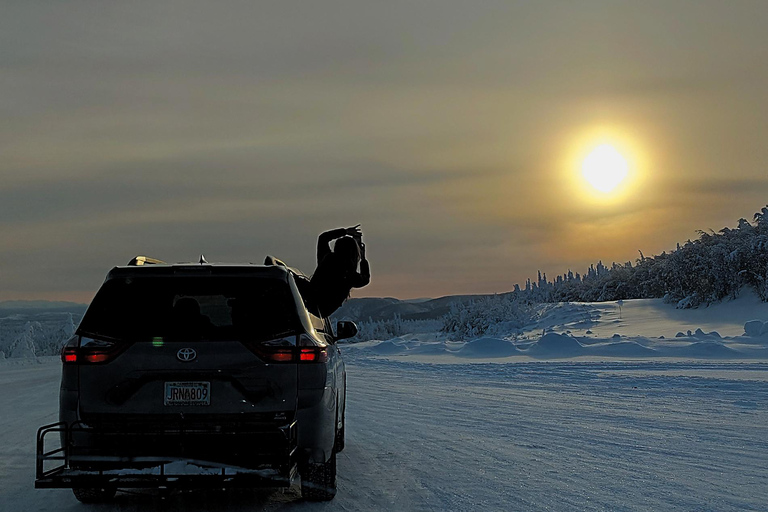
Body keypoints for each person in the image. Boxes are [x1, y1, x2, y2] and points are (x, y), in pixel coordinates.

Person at [309, 225, 370, 317]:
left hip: (307, 300)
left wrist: (345, 231)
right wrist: (363, 258)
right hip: (319, 312)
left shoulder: (326, 260)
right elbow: (365, 279)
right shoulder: (349, 275)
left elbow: (323, 238)